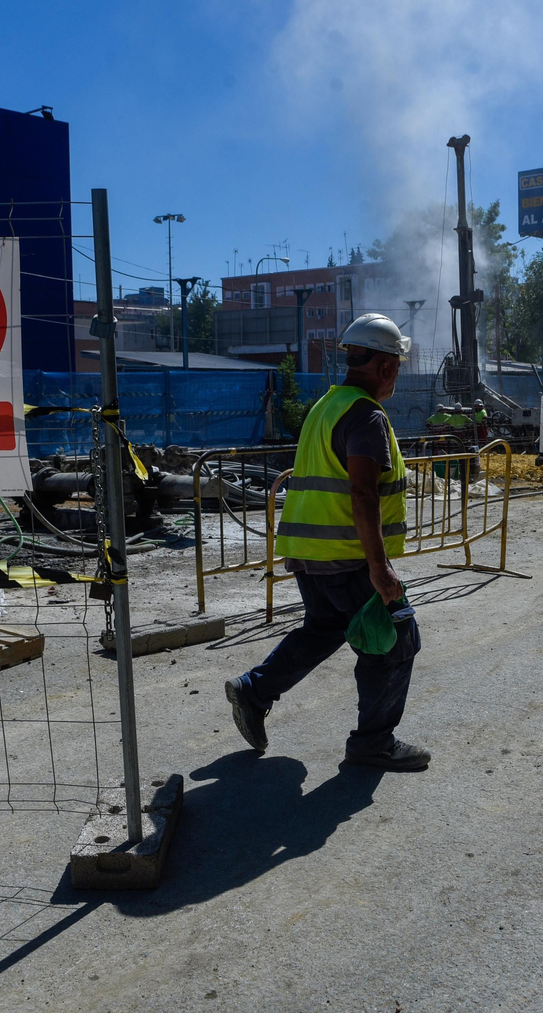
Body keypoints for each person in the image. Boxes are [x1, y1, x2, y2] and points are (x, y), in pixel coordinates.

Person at [224, 313, 430, 772]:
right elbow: (363, 492)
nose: (397, 375)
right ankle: (373, 744)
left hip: (310, 553)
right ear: (386, 367)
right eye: (397, 366)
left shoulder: (327, 405)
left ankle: (254, 690)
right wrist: (380, 567)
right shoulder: (366, 415)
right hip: (348, 558)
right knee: (395, 642)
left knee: (326, 628)